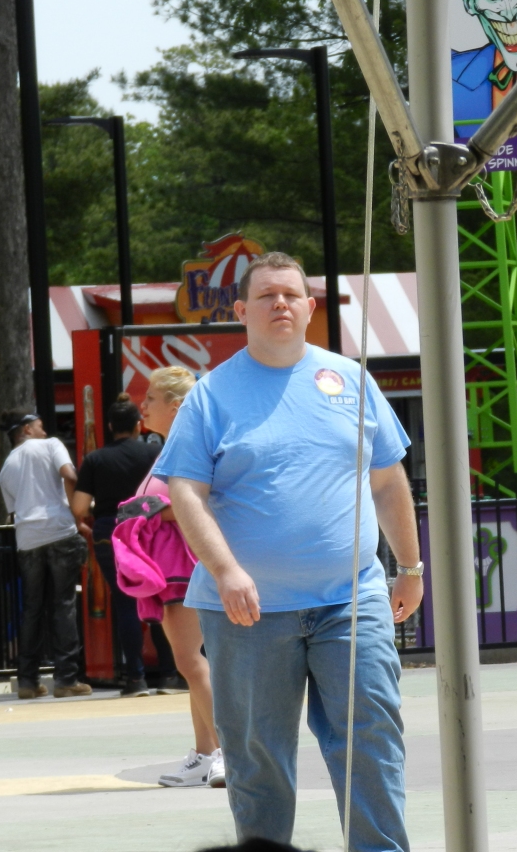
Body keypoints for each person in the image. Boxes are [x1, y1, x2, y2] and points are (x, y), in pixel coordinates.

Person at [154, 252, 424, 851]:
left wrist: (409, 566)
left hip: (351, 598)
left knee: (372, 737)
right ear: (242, 311)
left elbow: (386, 480)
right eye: (266, 295)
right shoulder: (210, 395)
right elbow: (185, 492)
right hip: (247, 614)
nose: (280, 303)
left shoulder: (351, 381)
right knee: (257, 758)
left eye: (291, 295)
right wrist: (224, 571)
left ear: (309, 308)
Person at [121, 366, 222, 788]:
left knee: (190, 660)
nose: (142, 406)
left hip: (183, 561)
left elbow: (194, 502)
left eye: (152, 398)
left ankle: (223, 750)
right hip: (172, 562)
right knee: (189, 661)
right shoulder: (169, 448)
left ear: (177, 406)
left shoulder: (187, 446)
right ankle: (204, 752)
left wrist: (143, 510)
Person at [70, 395, 176, 697]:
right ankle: (170, 674)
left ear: (110, 426)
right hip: (152, 528)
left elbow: (79, 507)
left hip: (110, 530)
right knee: (158, 594)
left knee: (125, 601)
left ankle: (135, 679)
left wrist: (97, 508)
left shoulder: (95, 459)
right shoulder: (155, 452)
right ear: (138, 425)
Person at [0, 411, 92, 699]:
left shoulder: (7, 465)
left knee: (32, 607)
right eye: (39, 424)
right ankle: (66, 679)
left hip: (28, 538)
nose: (44, 428)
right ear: (27, 428)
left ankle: (27, 680)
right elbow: (68, 474)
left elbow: (13, 508)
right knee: (63, 604)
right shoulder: (51, 445)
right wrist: (80, 511)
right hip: (60, 530)